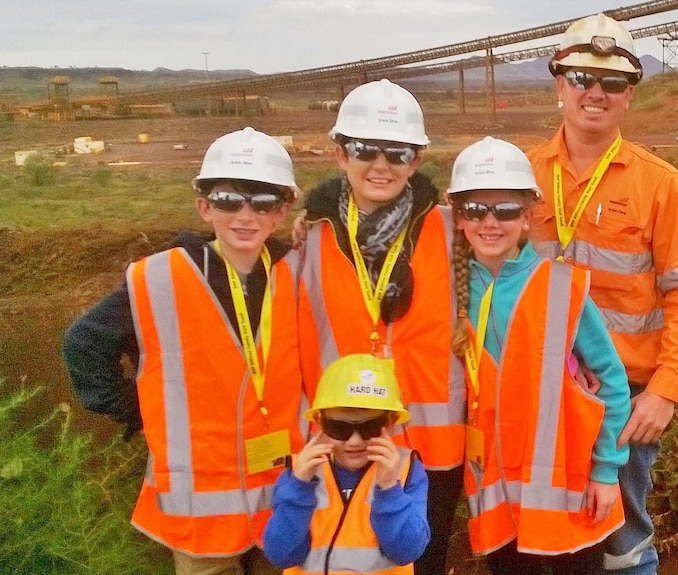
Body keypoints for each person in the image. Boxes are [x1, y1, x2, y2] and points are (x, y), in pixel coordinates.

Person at [63, 126, 307, 575]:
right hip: (201, 514)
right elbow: (84, 345)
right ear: (204, 207)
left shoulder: (298, 273)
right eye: (229, 200)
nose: (245, 215)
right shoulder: (160, 278)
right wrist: (141, 412)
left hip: (285, 497)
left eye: (264, 202)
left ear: (283, 211)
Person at [527, 14, 678, 575]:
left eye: (611, 82)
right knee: (539, 534)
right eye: (582, 77)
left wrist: (666, 391)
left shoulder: (659, 185)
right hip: (538, 391)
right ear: (559, 84)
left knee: (621, 538)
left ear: (629, 94)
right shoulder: (522, 175)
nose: (595, 92)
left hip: (623, 397)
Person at [295, 78, 464, 575]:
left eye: (398, 152)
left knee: (420, 561)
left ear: (417, 160)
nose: (381, 165)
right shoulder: (311, 239)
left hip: (431, 446)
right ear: (340, 154)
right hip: (342, 438)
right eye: (365, 150)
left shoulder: (454, 230)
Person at [448, 136, 631, 575]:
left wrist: (606, 472)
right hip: (498, 498)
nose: (490, 222)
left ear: (528, 218)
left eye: (506, 210)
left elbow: (612, 379)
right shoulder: (448, 284)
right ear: (458, 218)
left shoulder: (560, 287)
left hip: (569, 495)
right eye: (476, 209)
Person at [263, 353, 430, 573]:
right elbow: (281, 554)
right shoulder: (299, 472)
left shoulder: (406, 470)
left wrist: (390, 490)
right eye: (339, 428)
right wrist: (299, 488)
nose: (354, 441)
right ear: (320, 422)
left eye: (370, 427)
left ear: (390, 423)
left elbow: (407, 551)